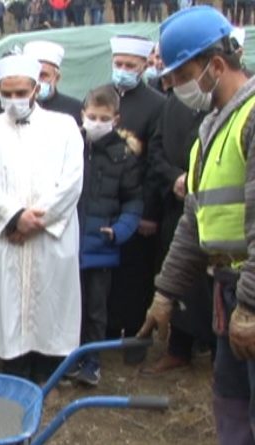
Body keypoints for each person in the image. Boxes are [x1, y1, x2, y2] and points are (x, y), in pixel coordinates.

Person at [136, 6, 255, 443]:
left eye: (182, 76)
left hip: (250, 291)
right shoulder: (210, 129)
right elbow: (194, 221)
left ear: (217, 65)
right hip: (229, 287)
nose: (174, 87)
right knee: (231, 403)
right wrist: (165, 294)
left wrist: (251, 304)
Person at [0, 54, 83, 384]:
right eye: (7, 93)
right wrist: (14, 217)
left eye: (21, 93)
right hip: (9, 235)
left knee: (52, 299)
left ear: (35, 89)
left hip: (50, 234)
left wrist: (36, 221)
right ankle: (15, 370)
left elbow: (72, 180)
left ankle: (50, 370)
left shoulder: (64, 126)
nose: (14, 100)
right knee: (10, 303)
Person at [140, 49, 215, 377]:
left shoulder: (226, 107)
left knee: (211, 287)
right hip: (176, 206)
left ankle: (216, 351)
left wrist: (197, 180)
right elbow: (156, 150)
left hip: (217, 215)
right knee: (180, 275)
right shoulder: (172, 103)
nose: (178, 83)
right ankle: (178, 348)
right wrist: (175, 179)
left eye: (184, 76)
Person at [72, 85, 143, 386]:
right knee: (70, 306)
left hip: (101, 245)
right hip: (69, 243)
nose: (97, 123)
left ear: (116, 119)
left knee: (96, 309)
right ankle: (69, 357)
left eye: (104, 118)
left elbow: (133, 201)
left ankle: (92, 362)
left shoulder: (123, 156)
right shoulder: (70, 147)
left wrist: (119, 231)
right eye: (92, 117)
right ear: (82, 114)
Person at [104, 35, 166, 366]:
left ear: (143, 66)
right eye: (118, 64)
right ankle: (106, 331)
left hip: (138, 205)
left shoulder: (156, 104)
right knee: (106, 275)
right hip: (104, 203)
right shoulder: (101, 96)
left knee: (136, 274)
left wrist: (149, 211)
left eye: (130, 65)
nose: (123, 70)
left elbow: (155, 163)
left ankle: (135, 336)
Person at [24, 40, 83, 126]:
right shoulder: (17, 107)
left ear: (57, 78)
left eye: (43, 75)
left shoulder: (75, 108)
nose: (37, 80)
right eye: (32, 74)